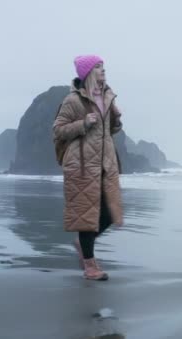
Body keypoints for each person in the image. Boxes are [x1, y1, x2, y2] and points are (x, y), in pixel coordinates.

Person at [52, 55, 124, 281]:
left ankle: (83, 245)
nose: (103, 71)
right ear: (88, 72)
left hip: (105, 163)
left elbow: (111, 131)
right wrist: (83, 123)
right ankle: (90, 267)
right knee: (86, 214)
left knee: (111, 213)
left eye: (103, 67)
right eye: (99, 67)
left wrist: (116, 118)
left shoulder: (107, 97)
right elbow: (58, 129)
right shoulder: (73, 101)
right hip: (82, 165)